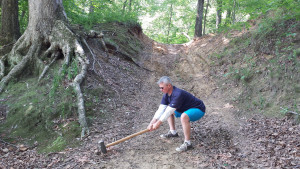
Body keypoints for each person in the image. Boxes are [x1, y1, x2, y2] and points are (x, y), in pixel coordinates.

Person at [147, 76, 206, 152]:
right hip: (184, 109)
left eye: (162, 88)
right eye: (160, 88)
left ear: (169, 85)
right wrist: (151, 123)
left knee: (183, 116)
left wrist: (158, 123)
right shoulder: (166, 95)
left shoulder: (178, 94)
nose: (161, 90)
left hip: (198, 109)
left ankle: (188, 143)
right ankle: (173, 132)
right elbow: (161, 109)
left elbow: (168, 111)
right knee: (169, 110)